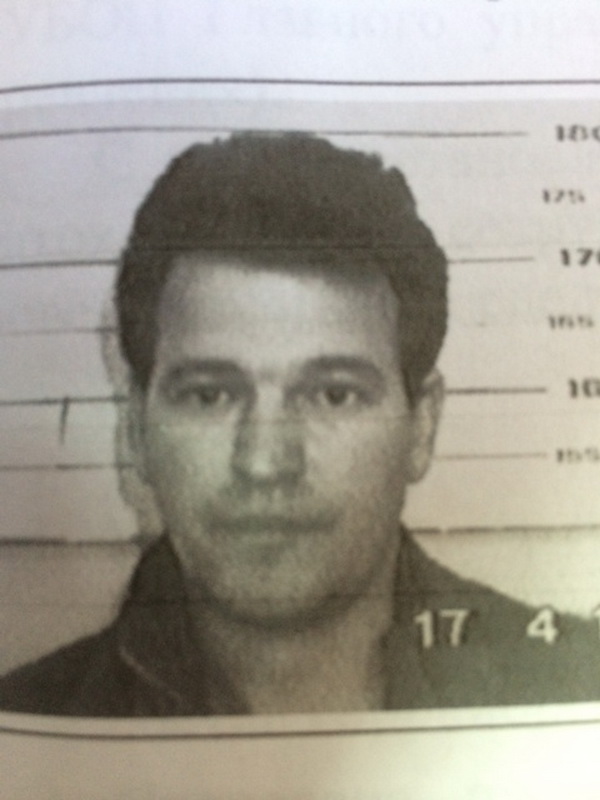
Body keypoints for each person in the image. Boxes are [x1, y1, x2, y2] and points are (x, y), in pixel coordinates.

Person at [1, 133, 598, 716]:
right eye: (209, 395)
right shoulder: (29, 720)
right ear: (136, 431)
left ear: (422, 427)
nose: (264, 461)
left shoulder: (575, 686)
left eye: (334, 395)